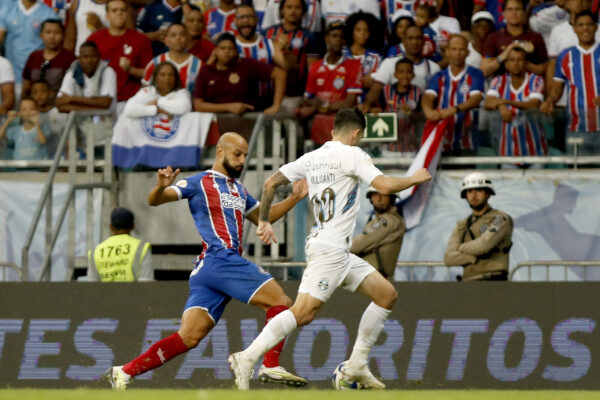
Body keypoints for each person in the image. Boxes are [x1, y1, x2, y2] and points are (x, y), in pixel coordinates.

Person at [228, 108, 432, 390]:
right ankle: (247, 357)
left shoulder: (311, 158)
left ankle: (356, 365)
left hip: (336, 250)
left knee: (386, 295)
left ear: (333, 130)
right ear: (358, 133)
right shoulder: (353, 155)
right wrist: (415, 178)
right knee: (303, 313)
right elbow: (384, 185)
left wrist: (264, 221)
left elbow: (270, 182)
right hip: (331, 251)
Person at [105, 132, 309, 389]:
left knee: (189, 337)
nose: (242, 160)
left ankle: (123, 372)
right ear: (221, 152)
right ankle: (269, 364)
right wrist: (160, 185)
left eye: (245, 155)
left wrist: (294, 198)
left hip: (208, 270)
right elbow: (155, 200)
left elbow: (263, 217)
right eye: (237, 154)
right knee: (281, 302)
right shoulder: (199, 182)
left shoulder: (239, 190)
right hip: (220, 258)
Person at [541, 10, 600, 155]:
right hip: (576, 129)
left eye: (589, 24)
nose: (585, 28)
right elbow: (557, 87)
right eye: (580, 25)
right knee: (576, 176)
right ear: (574, 29)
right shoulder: (565, 55)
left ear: (596, 27)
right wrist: (550, 100)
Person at [193, 33, 286, 115]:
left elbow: (280, 74)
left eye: (231, 48)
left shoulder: (247, 65)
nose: (226, 51)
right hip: (216, 124)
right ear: (215, 51)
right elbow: (198, 105)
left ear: (236, 51)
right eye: (222, 48)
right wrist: (229, 107)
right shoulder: (206, 71)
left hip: (247, 121)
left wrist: (276, 105)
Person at [444, 172, 513, 281]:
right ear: (465, 195)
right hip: (468, 282)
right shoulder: (461, 224)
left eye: (479, 190)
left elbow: (483, 246)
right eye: (470, 191)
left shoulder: (500, 218)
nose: (474, 195)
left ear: (488, 194)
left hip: (494, 280)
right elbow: (448, 258)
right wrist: (471, 258)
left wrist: (460, 248)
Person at [422, 35, 484, 154]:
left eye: (461, 49)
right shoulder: (438, 76)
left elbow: (476, 98)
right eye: (454, 49)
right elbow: (429, 96)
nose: (458, 53)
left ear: (467, 52)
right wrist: (427, 110)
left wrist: (454, 109)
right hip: (442, 139)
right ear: (447, 52)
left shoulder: (475, 74)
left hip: (467, 141)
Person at [87, 0, 153, 114]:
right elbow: (84, 69)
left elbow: (150, 73)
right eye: (114, 10)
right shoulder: (95, 39)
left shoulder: (141, 40)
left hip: (130, 102)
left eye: (122, 10)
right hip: (100, 100)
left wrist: (130, 69)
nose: (119, 13)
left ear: (127, 14)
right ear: (107, 15)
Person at [484, 46, 547, 159]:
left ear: (526, 63)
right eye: (512, 60)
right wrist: (502, 105)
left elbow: (533, 104)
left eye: (520, 60)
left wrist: (505, 101)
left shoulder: (536, 80)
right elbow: (488, 102)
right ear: (506, 64)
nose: (516, 63)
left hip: (536, 151)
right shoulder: (499, 80)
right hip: (507, 152)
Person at [363, 25, 440, 113]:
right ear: (403, 41)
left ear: (423, 41)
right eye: (410, 38)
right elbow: (376, 89)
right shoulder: (390, 63)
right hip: (393, 118)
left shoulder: (434, 68)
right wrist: (367, 106)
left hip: (420, 119)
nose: (414, 42)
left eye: (418, 38)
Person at [297, 22, 362, 118]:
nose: (338, 39)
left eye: (342, 37)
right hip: (318, 117)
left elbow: (350, 102)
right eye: (334, 36)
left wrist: (325, 106)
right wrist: (314, 103)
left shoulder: (354, 66)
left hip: (342, 118)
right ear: (327, 39)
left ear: (345, 41)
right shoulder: (315, 66)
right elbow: (307, 98)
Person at [262, 0, 319, 105]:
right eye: (289, 7)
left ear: (303, 11)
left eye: (297, 8)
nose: (293, 11)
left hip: (295, 94)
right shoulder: (267, 33)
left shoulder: (309, 36)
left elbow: (313, 70)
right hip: (268, 92)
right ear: (282, 10)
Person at [480, 0, 548, 78]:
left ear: (524, 12)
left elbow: (545, 69)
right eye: (510, 9)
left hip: (530, 87)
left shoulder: (535, 37)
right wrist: (504, 55)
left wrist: (523, 63)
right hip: (501, 87)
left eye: (518, 9)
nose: (514, 13)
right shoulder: (494, 37)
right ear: (503, 13)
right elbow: (484, 71)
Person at [0, 0, 58, 92]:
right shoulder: (7, 10)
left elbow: (55, 48)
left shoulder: (49, 13)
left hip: (38, 81)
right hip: (11, 79)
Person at [350, 187, 405, 280]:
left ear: (391, 198)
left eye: (383, 195)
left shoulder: (388, 220)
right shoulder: (379, 219)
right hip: (370, 277)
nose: (378, 199)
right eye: (375, 194)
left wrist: (336, 248)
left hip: (376, 278)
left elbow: (358, 245)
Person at [87, 207, 153, 282]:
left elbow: (91, 284)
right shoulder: (142, 248)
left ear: (111, 227)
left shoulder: (96, 251)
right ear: (133, 226)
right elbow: (146, 282)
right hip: (132, 293)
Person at [372, 58, 422, 154]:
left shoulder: (417, 91)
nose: (405, 75)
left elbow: (422, 114)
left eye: (408, 72)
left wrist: (411, 113)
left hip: (409, 146)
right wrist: (376, 111)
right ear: (395, 75)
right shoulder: (386, 90)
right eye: (401, 72)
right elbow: (378, 110)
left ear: (413, 75)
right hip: (388, 146)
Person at [56, 41, 117, 113]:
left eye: (93, 56)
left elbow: (106, 102)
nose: (90, 60)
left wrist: (72, 99)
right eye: (85, 56)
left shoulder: (107, 71)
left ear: (99, 57)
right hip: (78, 122)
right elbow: (60, 104)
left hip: (105, 121)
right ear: (79, 59)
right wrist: (96, 108)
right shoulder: (72, 73)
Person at [22, 19, 76, 98]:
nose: (52, 36)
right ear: (41, 35)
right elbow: (26, 87)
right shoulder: (33, 56)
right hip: (34, 108)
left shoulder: (70, 58)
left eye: (56, 33)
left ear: (63, 35)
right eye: (48, 32)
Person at [142, 23, 202, 95]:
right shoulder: (155, 63)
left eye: (182, 34)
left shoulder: (199, 65)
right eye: (173, 35)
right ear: (166, 40)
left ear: (188, 39)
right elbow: (145, 90)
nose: (178, 38)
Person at [126, 61, 191, 119]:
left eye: (171, 75)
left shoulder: (182, 93)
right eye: (162, 75)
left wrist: (158, 102)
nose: (167, 78)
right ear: (155, 78)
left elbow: (185, 108)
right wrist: (156, 110)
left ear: (176, 79)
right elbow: (128, 109)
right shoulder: (148, 91)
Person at [342, 12, 383, 103]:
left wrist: (349, 80)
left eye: (366, 30)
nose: (362, 33)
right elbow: (336, 81)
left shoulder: (376, 57)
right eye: (358, 30)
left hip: (366, 105)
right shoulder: (341, 54)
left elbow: (376, 83)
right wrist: (362, 81)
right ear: (351, 31)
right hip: (341, 103)